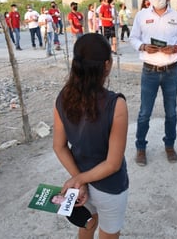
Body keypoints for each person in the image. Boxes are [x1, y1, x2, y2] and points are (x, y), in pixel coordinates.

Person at [53, 33, 129, 239]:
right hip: (109, 186)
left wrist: (79, 179)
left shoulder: (63, 98)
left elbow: (59, 146)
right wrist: (81, 179)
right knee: (108, 232)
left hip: (80, 182)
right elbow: (113, 164)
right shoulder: (116, 105)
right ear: (107, 64)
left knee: (87, 223)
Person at [129, 0, 177, 166]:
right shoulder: (141, 15)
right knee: (144, 112)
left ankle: (169, 145)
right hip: (149, 71)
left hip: (171, 71)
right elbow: (133, 38)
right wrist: (143, 46)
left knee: (171, 112)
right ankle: (141, 148)